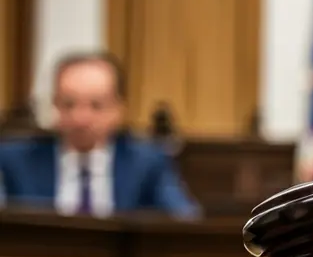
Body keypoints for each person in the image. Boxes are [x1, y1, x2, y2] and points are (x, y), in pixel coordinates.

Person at [0, 52, 199, 219]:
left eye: (96, 106)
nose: (80, 118)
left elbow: (184, 222)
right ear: (55, 105)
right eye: (68, 104)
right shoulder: (15, 160)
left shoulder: (146, 162)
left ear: (118, 110)